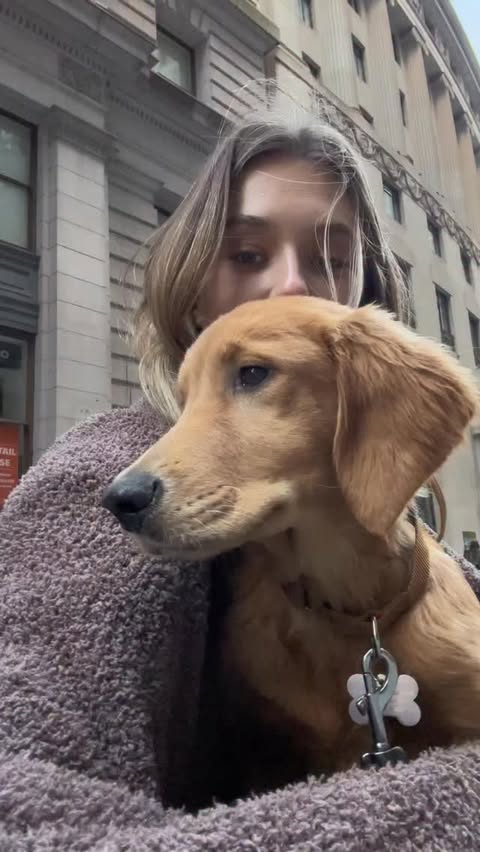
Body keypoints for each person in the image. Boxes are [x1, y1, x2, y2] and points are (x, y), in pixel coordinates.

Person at [1, 103, 480, 849]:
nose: (291, 287)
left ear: (365, 288)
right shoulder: (95, 479)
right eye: (248, 254)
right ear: (194, 290)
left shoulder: (447, 596)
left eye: (331, 259)